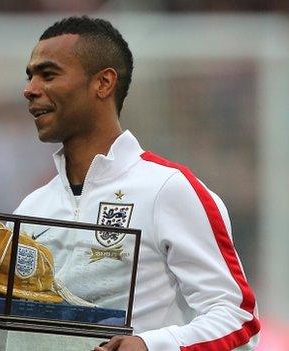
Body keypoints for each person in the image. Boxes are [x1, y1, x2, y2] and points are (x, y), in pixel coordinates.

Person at [15, 16, 259, 351]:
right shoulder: (30, 208)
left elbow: (238, 317)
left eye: (48, 74)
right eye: (30, 77)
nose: (30, 89)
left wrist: (150, 344)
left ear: (103, 83)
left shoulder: (168, 189)